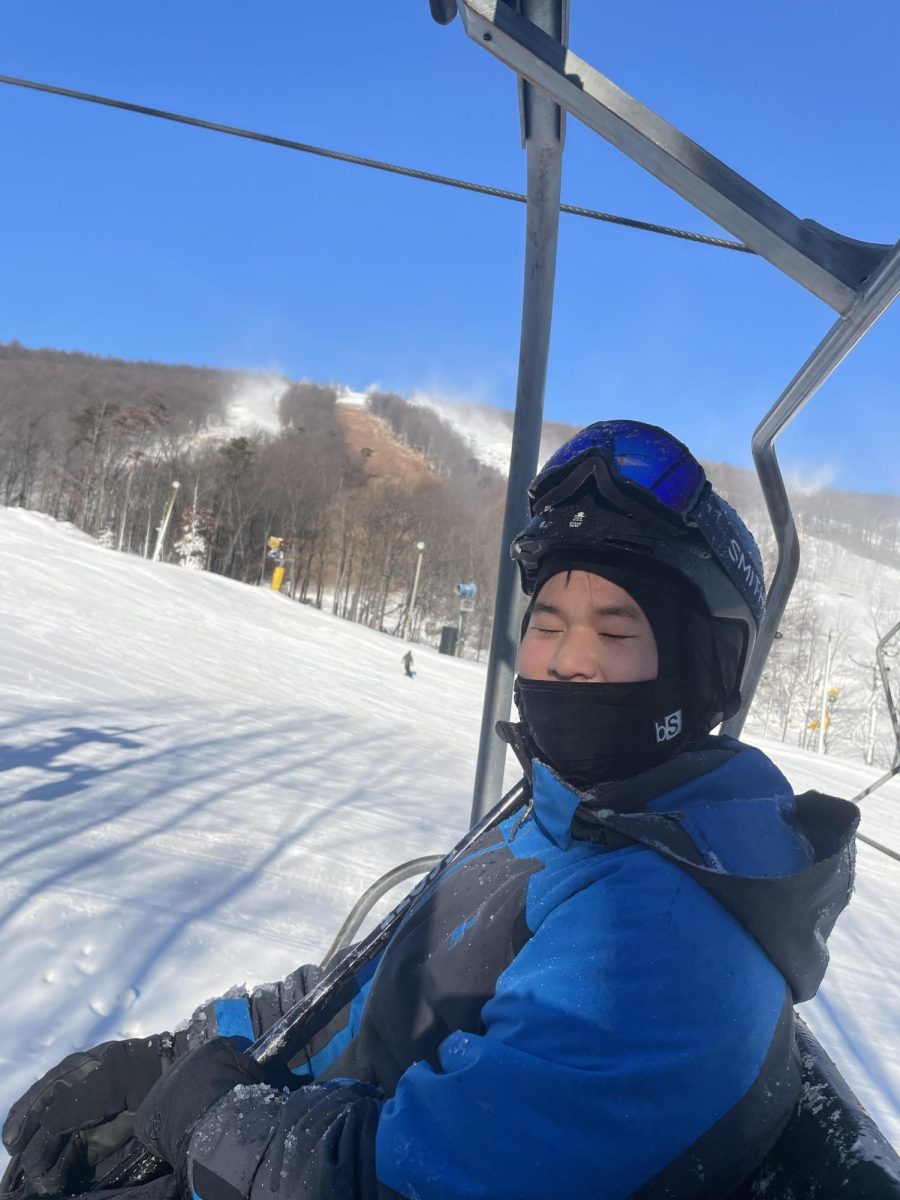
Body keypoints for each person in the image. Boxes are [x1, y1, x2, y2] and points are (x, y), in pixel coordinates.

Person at [3, 420, 858, 1200]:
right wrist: (176, 1055)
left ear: (701, 669)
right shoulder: (560, 817)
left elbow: (411, 1183)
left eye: (616, 630)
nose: (566, 663)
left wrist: (206, 1118)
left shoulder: (663, 932)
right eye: (549, 622)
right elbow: (366, 986)